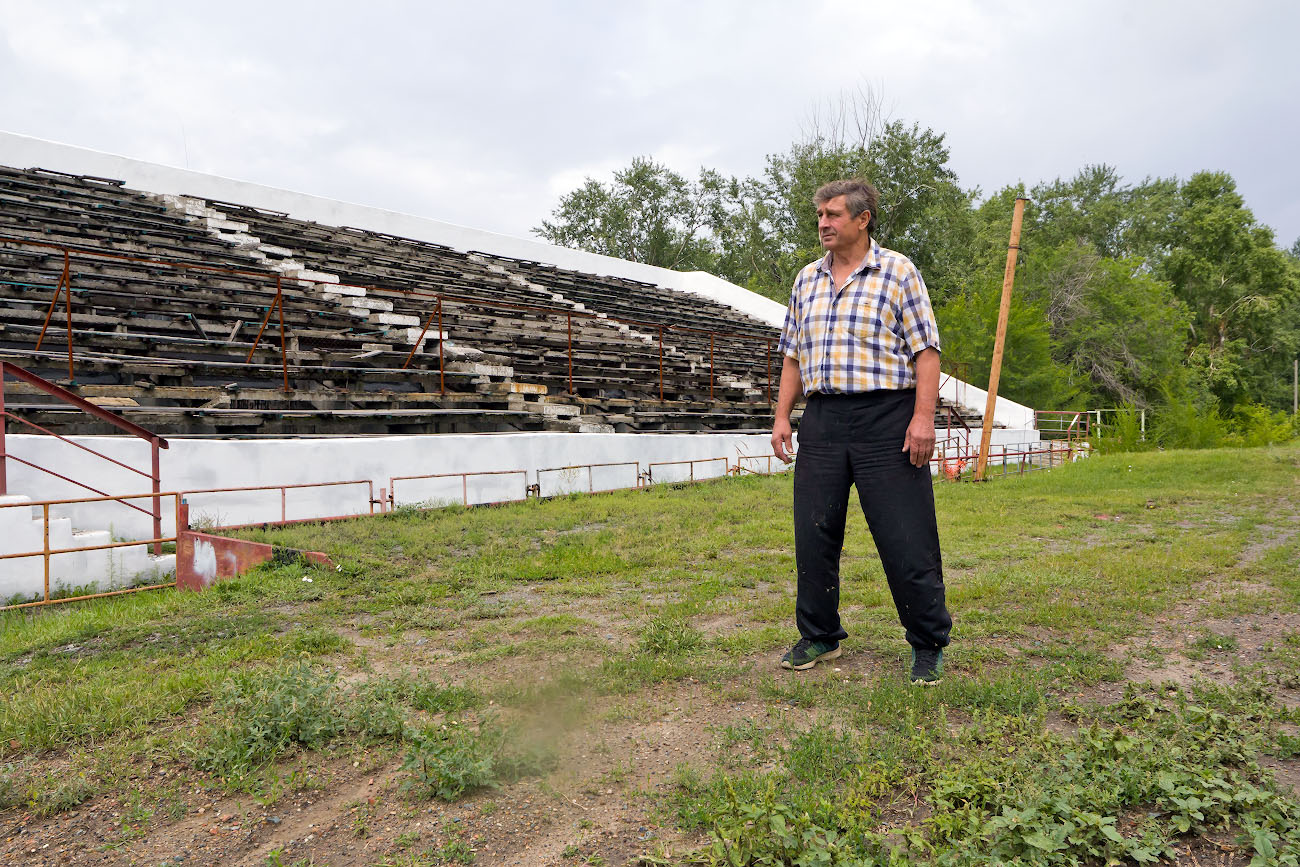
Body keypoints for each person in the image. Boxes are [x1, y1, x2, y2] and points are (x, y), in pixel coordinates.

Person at [771, 178, 952, 685]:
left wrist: (923, 418)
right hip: (824, 420)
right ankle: (820, 635)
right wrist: (783, 415)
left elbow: (926, 352)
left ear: (862, 217)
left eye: (833, 215)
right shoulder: (806, 279)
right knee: (814, 533)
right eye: (820, 215)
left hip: (887, 419)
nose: (823, 224)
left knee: (905, 535)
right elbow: (792, 354)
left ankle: (927, 642)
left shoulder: (898, 272)